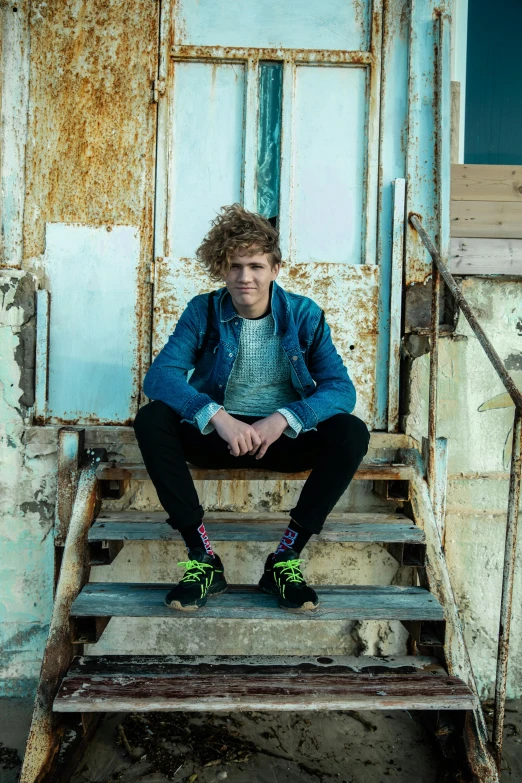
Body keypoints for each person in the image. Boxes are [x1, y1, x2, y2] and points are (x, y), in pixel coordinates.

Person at [133, 203, 370, 613]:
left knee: (351, 431)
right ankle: (203, 558)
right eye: (235, 266)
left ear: (275, 269)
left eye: (257, 266)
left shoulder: (304, 315)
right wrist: (215, 416)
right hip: (218, 438)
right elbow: (159, 378)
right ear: (222, 269)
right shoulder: (203, 310)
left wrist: (285, 418)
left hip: (281, 440)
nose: (246, 277)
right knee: (152, 418)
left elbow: (340, 390)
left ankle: (285, 559)